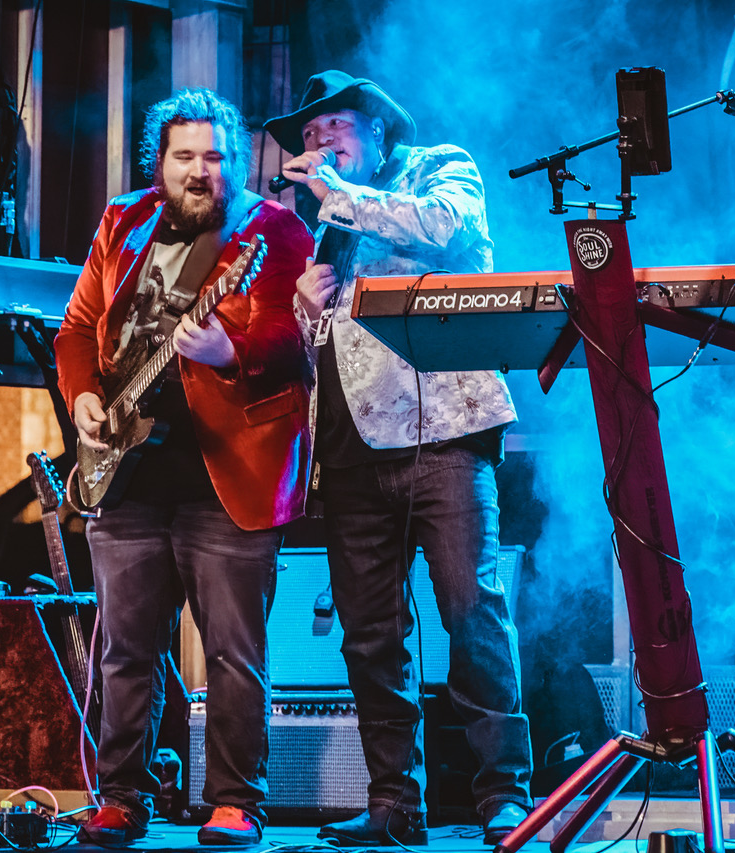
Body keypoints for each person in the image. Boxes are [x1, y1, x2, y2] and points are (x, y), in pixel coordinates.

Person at [263, 71, 532, 847]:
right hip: (349, 453)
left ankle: (501, 795)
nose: (318, 146)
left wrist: (337, 193)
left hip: (444, 436)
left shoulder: (438, 168)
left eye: (334, 128)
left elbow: (444, 230)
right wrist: (304, 313)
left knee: (470, 612)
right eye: (308, 138)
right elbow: (319, 353)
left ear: (377, 130)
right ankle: (393, 803)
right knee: (370, 633)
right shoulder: (320, 229)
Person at [54, 88, 313, 847]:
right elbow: (75, 327)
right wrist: (82, 401)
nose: (201, 172)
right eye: (185, 157)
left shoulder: (272, 232)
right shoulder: (122, 221)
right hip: (128, 471)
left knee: (236, 650)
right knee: (125, 648)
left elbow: (301, 336)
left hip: (230, 470)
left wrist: (231, 350)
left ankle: (236, 798)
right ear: (158, 163)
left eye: (215, 156)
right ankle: (120, 794)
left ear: (235, 161)